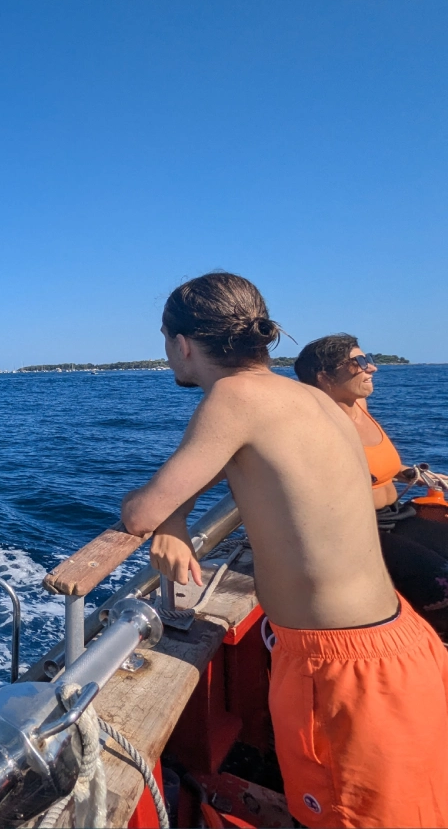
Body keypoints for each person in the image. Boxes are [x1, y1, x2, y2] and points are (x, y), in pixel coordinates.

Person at [120, 272, 448, 828]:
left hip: (339, 667)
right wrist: (174, 519)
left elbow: (140, 511)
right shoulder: (305, 398)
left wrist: (163, 519)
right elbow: (198, 483)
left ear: (180, 343)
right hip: (396, 641)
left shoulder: (232, 399)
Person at [294, 333, 448, 636]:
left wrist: (411, 473)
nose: (372, 367)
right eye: (359, 362)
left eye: (369, 359)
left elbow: (376, 466)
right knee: (442, 583)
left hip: (398, 516)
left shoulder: (359, 405)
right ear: (324, 376)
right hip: (360, 532)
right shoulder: (316, 424)